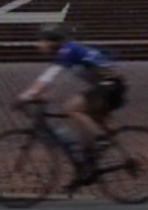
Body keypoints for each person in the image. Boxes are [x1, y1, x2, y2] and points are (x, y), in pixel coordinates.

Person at [17, 25, 127, 183]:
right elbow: (61, 79)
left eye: (41, 41)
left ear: (52, 42)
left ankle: (101, 140)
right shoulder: (67, 52)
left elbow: (50, 76)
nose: (38, 45)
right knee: (90, 126)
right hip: (109, 87)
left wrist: (27, 95)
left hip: (109, 86)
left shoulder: (68, 50)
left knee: (72, 108)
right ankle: (89, 168)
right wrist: (44, 95)